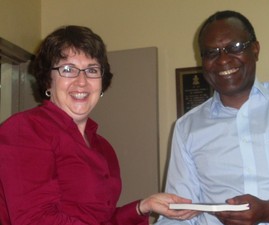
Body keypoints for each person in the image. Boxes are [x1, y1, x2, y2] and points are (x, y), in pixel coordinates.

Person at [0, 25, 198, 225]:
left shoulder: (103, 148)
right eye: (68, 69)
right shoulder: (25, 129)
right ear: (47, 80)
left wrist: (143, 206)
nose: (82, 81)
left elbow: (101, 220)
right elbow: (36, 220)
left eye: (92, 70)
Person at [156, 10, 269, 225]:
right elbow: (180, 213)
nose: (223, 60)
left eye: (234, 48)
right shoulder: (187, 127)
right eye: (211, 52)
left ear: (255, 49)